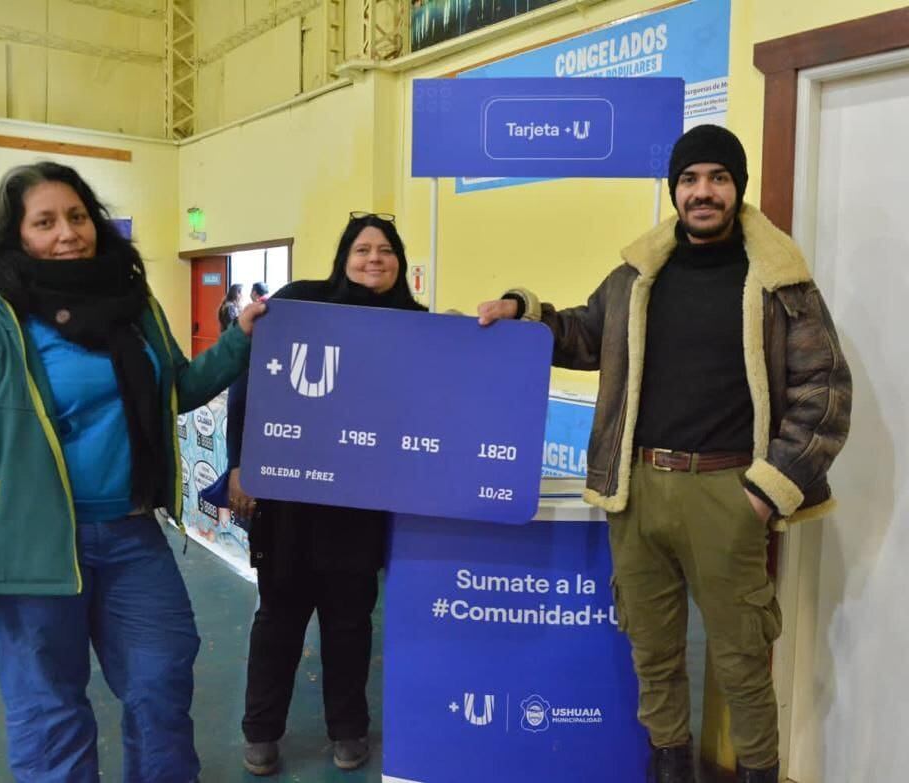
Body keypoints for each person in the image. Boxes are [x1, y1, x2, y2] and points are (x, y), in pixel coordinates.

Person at [477, 125, 851, 783]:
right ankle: (670, 765)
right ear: (675, 190)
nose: (703, 192)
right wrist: (524, 310)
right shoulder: (634, 279)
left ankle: (760, 770)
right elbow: (583, 336)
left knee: (741, 656)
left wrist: (767, 491)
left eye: (718, 178)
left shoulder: (778, 282)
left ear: (736, 188)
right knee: (652, 648)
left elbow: (825, 393)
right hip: (638, 487)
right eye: (690, 179)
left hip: (730, 492)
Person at [0, 161, 264, 783]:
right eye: (45, 221)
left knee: (161, 684)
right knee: (50, 714)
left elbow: (177, 390)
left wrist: (240, 339)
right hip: (31, 554)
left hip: (132, 536)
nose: (67, 233)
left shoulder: (134, 311)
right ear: (17, 236)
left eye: (77, 216)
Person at [225, 213, 426, 776]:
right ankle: (261, 731)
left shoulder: (418, 325)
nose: (374, 259)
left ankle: (348, 730)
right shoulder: (299, 304)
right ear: (343, 257)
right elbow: (249, 385)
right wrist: (240, 463)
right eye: (362, 249)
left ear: (400, 263)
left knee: (349, 623)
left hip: (358, 507)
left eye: (385, 251)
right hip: (289, 504)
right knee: (279, 619)